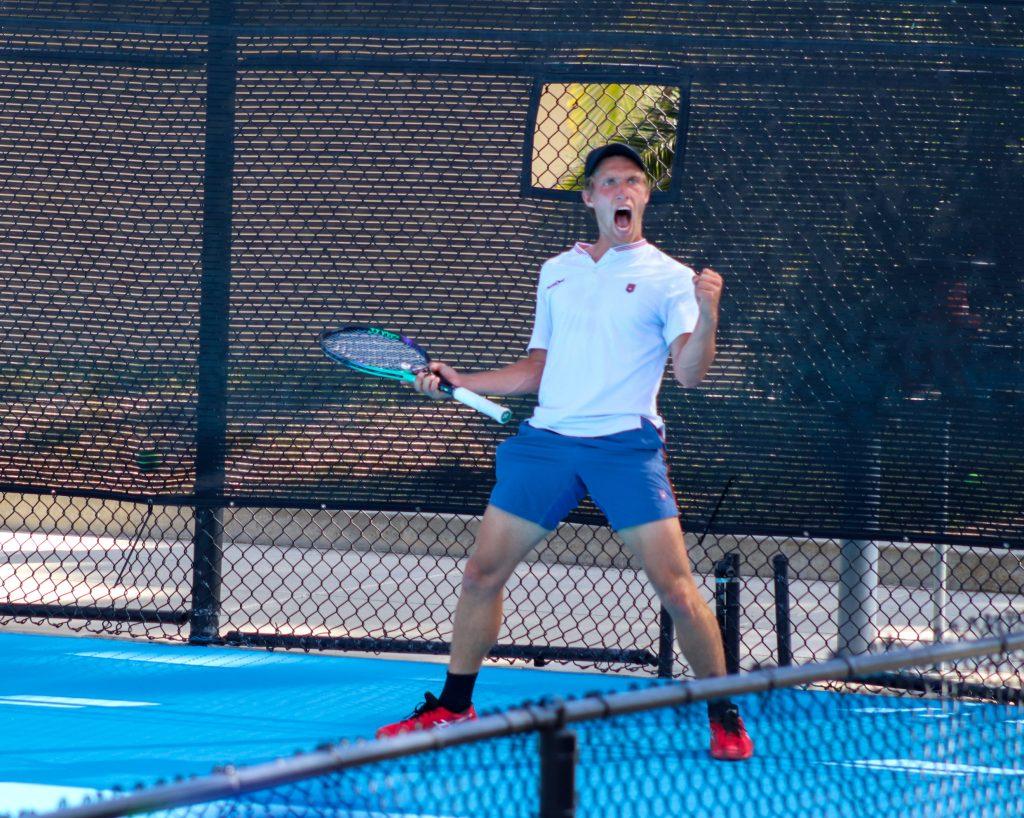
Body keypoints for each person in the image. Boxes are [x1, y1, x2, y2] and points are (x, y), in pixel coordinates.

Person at [376, 143, 754, 761]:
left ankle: (723, 714)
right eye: (609, 183)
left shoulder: (671, 278)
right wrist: (462, 379)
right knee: (480, 575)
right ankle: (452, 706)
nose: (622, 191)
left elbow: (689, 372)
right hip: (548, 442)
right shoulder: (557, 271)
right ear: (589, 198)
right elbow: (535, 370)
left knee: (679, 590)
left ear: (645, 196)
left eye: (632, 181)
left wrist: (708, 314)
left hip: (624, 447)